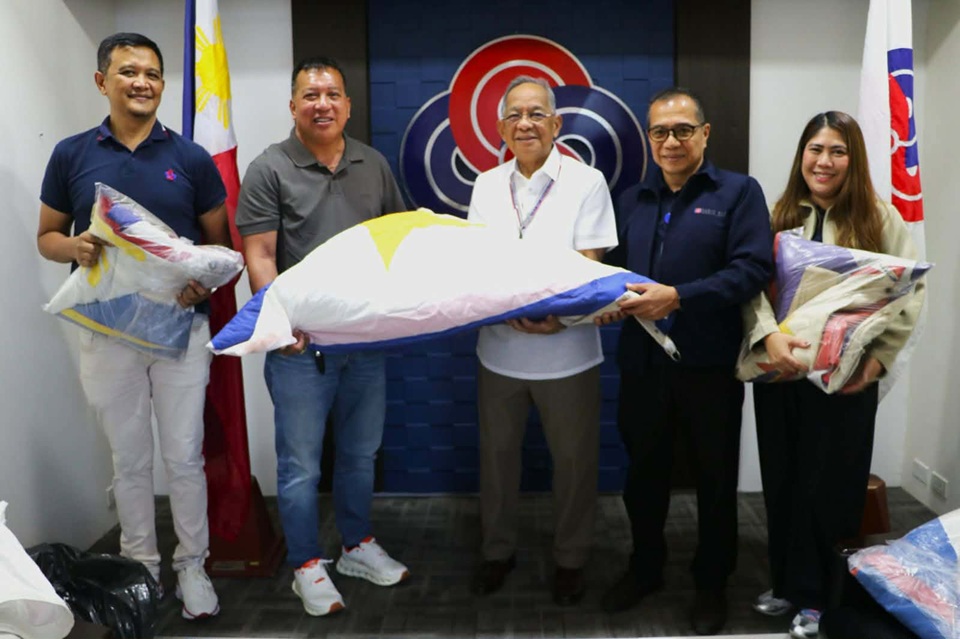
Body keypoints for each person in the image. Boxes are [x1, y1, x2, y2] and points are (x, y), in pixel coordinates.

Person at [37, 33, 228, 619]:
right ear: (103, 81)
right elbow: (47, 238)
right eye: (127, 72)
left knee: (185, 456)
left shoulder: (190, 158)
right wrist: (75, 247)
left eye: (152, 73)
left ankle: (192, 566)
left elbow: (218, 245)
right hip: (107, 331)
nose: (141, 82)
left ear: (163, 84)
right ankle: (140, 568)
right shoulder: (72, 154)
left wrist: (204, 284)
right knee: (129, 459)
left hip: (180, 329)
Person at [235, 56, 409, 617]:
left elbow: (396, 240)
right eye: (310, 95)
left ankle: (356, 546)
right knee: (301, 466)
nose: (322, 104)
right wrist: (280, 323)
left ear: (348, 105)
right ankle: (306, 564)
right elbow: (260, 254)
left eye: (333, 94)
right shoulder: (269, 168)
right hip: (300, 349)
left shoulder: (372, 163)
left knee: (360, 454)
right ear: (293, 106)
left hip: (363, 343)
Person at [598, 87, 773, 634]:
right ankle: (645, 568)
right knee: (643, 475)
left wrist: (678, 297)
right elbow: (614, 271)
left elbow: (752, 269)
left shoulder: (738, 192)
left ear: (704, 133)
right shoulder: (631, 198)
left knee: (715, 480)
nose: (670, 141)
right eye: (660, 132)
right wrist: (604, 302)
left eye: (682, 130)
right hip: (642, 365)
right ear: (649, 137)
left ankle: (711, 582)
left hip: (709, 366)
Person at [743, 111, 924, 639]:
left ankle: (821, 596)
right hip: (781, 372)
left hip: (846, 378)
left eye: (838, 151)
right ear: (802, 155)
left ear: (854, 159)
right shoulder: (777, 214)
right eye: (816, 149)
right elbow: (753, 287)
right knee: (783, 479)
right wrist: (767, 337)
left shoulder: (878, 217)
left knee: (832, 486)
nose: (824, 161)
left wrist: (877, 361)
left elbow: (910, 291)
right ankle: (786, 583)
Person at [466, 76, 617, 606]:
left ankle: (571, 559)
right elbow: (476, 263)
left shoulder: (587, 182)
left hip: (568, 352)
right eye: (514, 115)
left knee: (574, 464)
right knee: (496, 460)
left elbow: (592, 266)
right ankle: (497, 551)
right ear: (500, 127)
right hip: (499, 351)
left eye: (535, 114)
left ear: (556, 123)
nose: (524, 124)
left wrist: (561, 318)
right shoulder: (487, 184)